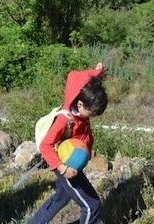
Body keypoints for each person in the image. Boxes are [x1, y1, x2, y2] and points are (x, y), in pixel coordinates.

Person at [28, 63, 108, 224]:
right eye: (91, 113)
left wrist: (98, 72)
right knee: (92, 206)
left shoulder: (80, 92)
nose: (92, 117)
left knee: (61, 198)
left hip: (71, 162)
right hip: (65, 163)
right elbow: (45, 145)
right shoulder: (65, 120)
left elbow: (75, 76)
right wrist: (63, 169)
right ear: (80, 105)